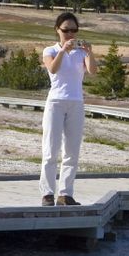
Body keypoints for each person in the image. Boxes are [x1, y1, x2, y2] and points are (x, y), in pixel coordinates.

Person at [39, 12, 97, 206]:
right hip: (56, 102)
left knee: (72, 151)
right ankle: (47, 193)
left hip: (76, 102)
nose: (70, 34)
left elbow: (93, 71)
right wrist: (63, 50)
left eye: (74, 30)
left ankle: (65, 193)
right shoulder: (51, 50)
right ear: (58, 30)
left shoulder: (81, 53)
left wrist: (89, 52)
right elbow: (53, 69)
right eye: (66, 30)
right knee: (50, 149)